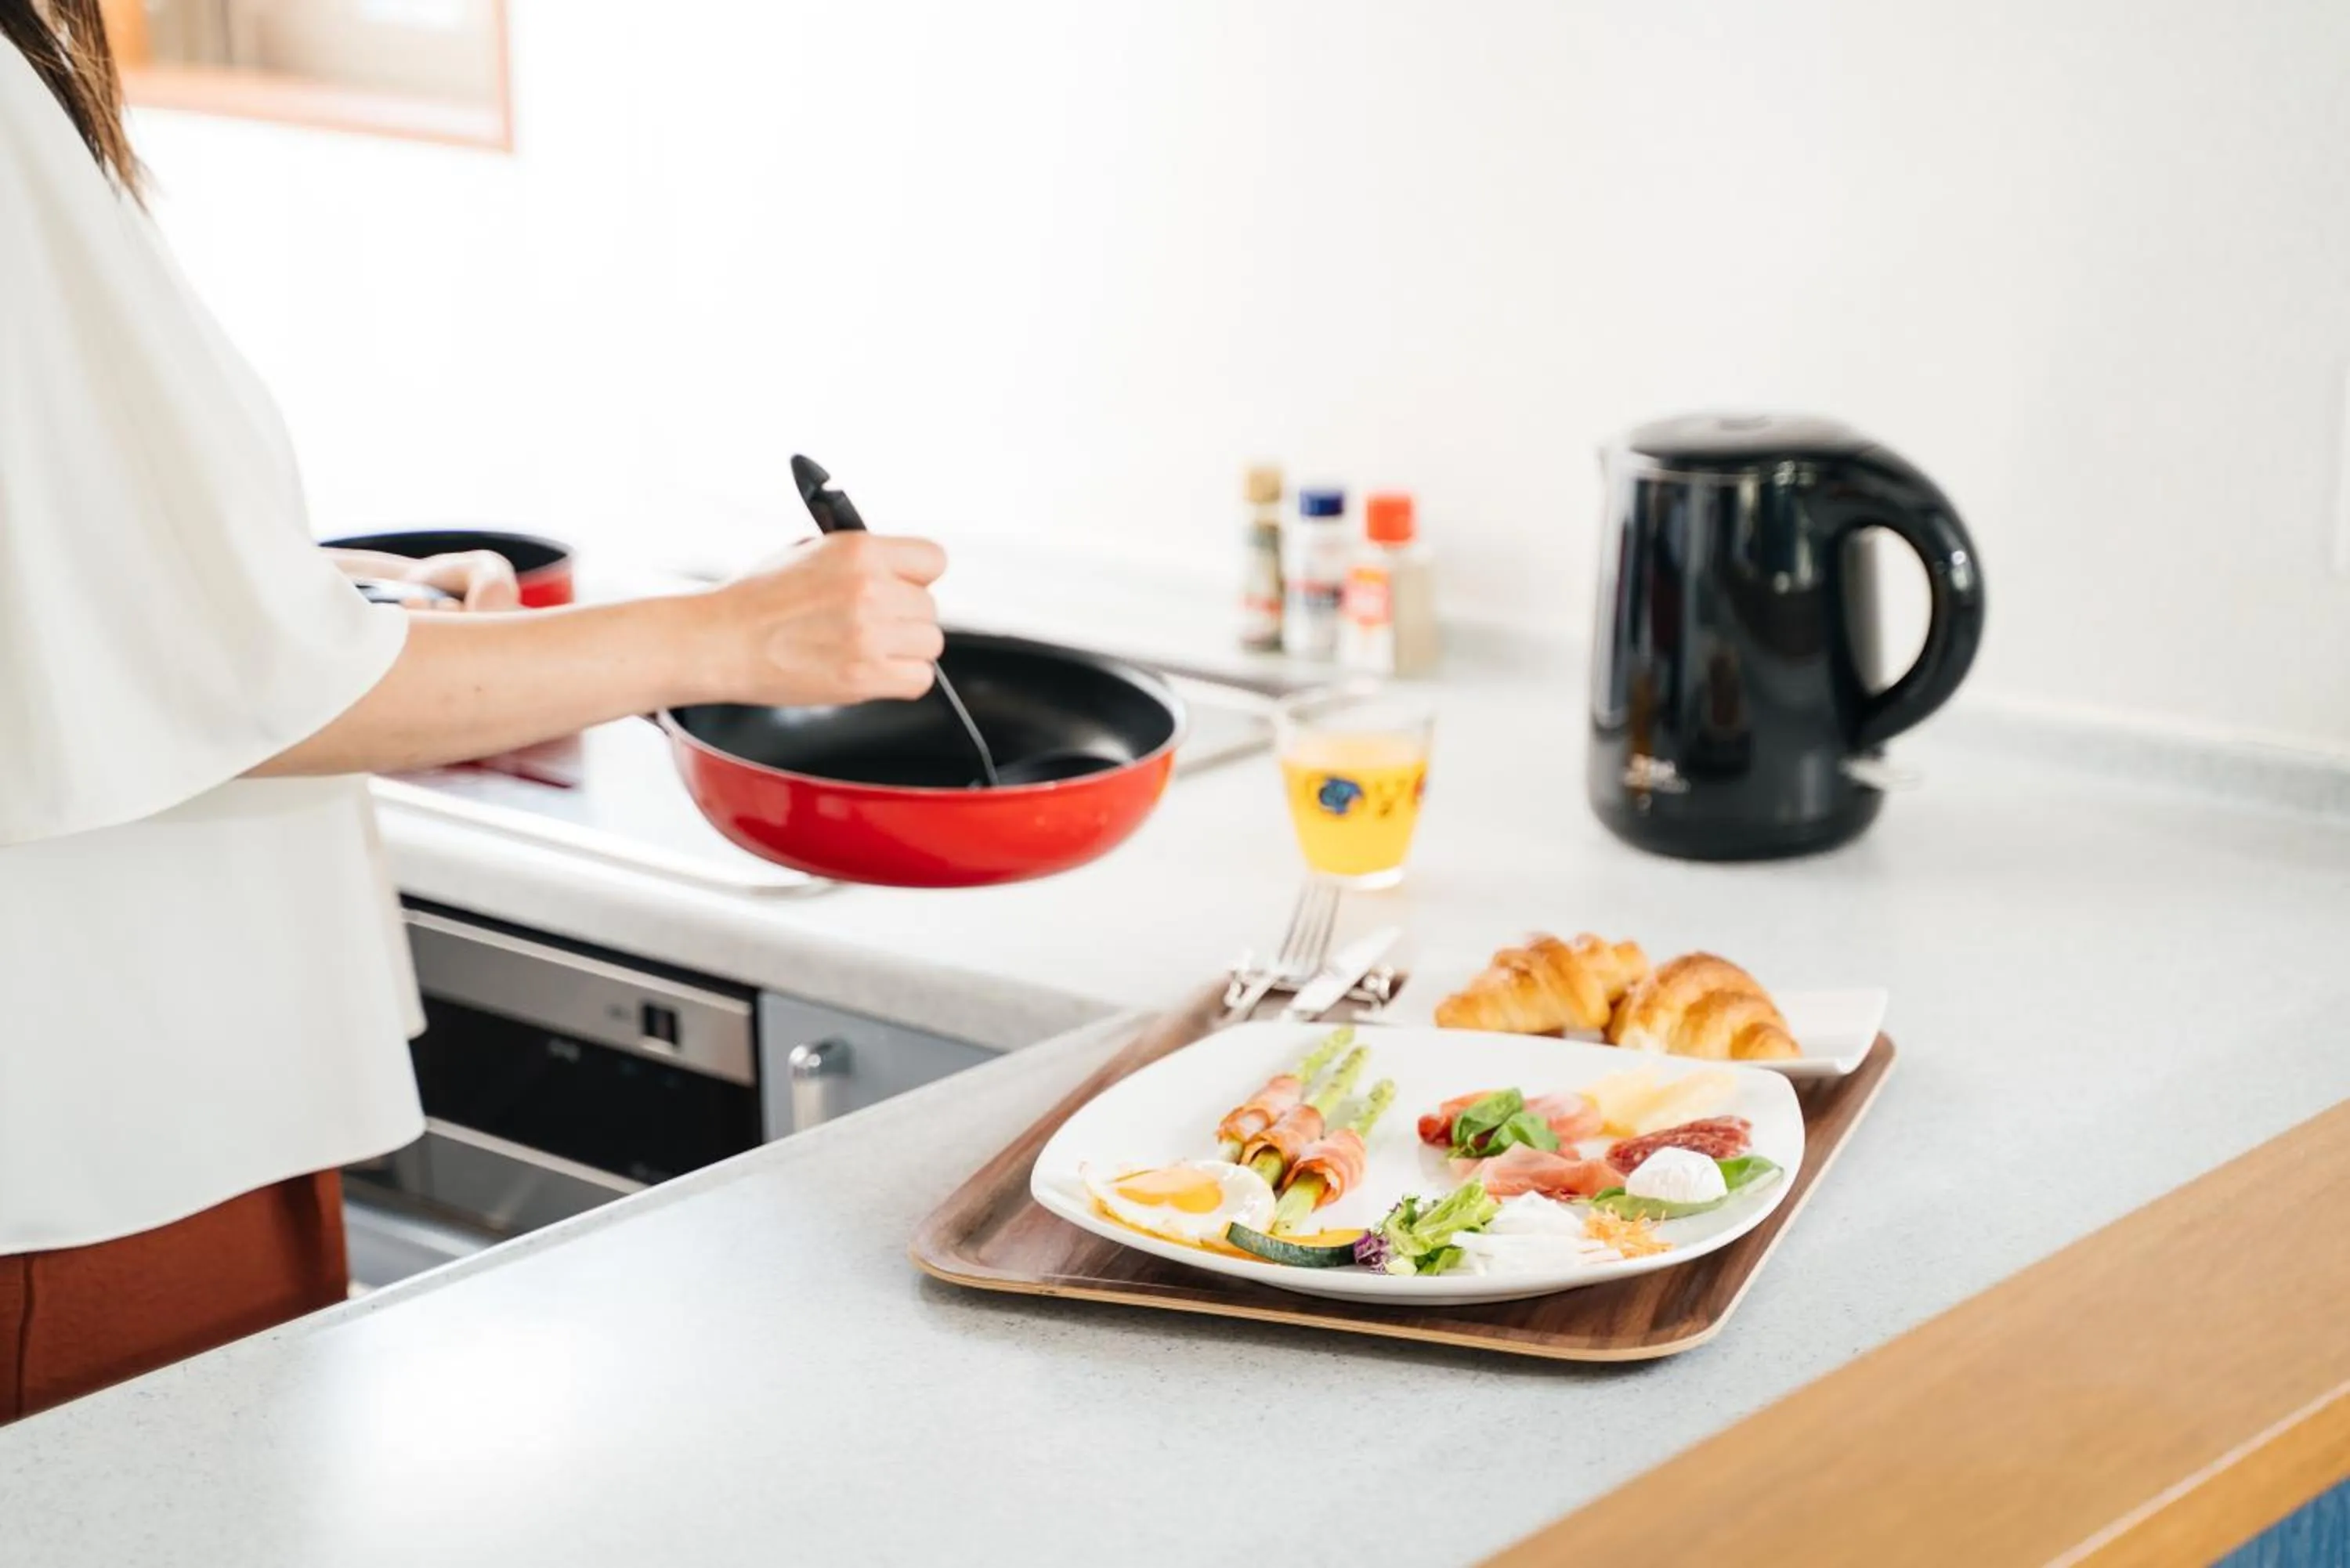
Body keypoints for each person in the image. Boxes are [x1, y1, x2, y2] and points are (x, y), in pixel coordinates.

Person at [0, 2, 947, 1422]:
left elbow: (72, 594)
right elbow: (241, 697)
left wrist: (302, 591)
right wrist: (733, 631)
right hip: (97, 1155)